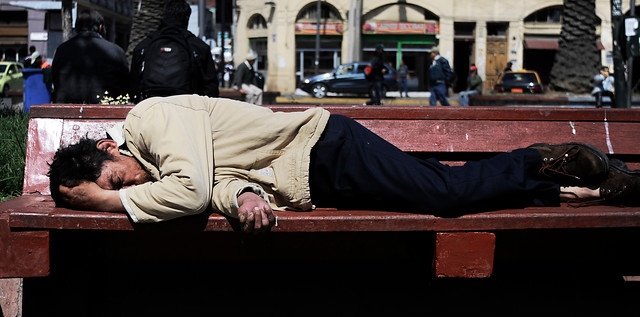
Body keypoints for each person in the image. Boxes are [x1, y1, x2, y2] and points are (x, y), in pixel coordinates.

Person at [48, 95, 640, 234]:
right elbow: (217, 182)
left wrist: (108, 203)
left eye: (113, 181)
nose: (125, 188)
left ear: (108, 150)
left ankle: (544, 160)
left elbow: (192, 190)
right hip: (317, 175)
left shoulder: (149, 119)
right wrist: (245, 201)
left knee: (445, 197)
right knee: (443, 194)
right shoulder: (157, 159)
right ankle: (565, 188)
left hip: (327, 149)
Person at [130, 0, 218, 101]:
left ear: (163, 16)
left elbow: (133, 84)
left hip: (151, 106)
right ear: (187, 18)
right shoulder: (199, 47)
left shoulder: (144, 46)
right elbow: (211, 88)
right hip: (187, 108)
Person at [51, 9, 130, 104]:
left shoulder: (61, 50)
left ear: (76, 27)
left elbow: (55, 80)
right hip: (105, 112)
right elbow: (126, 84)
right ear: (100, 27)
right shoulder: (115, 51)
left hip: (65, 112)